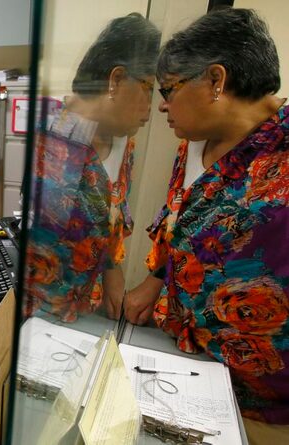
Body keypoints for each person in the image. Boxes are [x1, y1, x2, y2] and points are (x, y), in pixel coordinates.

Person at [123, 8, 289, 440]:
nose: (162, 104)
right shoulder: (194, 146)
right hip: (183, 359)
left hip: (263, 403)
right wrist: (155, 279)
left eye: (169, 89)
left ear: (216, 81)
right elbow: (182, 226)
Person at [24, 13, 160, 322]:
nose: (152, 109)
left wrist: (113, 273)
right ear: (115, 80)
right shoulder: (49, 140)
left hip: (92, 310)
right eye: (148, 89)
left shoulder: (124, 141)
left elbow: (110, 218)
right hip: (40, 315)